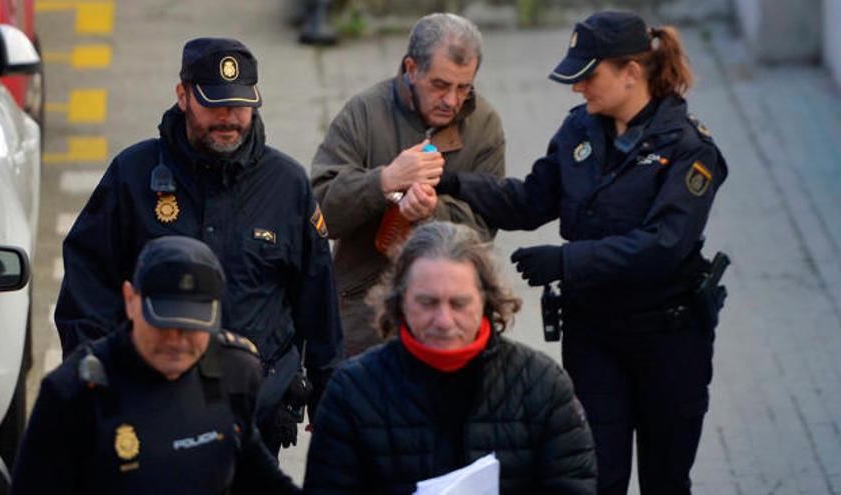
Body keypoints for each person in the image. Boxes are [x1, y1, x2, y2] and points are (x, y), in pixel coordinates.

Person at [436, 11, 728, 494]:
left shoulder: (689, 149)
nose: (578, 90)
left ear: (631, 73)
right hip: (595, 333)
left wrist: (567, 261)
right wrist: (454, 182)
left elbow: (664, 245)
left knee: (665, 481)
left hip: (669, 339)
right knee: (596, 478)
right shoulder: (581, 130)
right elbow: (531, 200)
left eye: (589, 76)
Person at [54, 37, 344, 451]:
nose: (228, 118)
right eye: (214, 104)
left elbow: (318, 302)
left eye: (240, 106)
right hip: (148, 411)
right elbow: (88, 289)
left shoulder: (287, 185)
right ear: (183, 95)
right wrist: (92, 383)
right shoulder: (132, 177)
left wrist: (329, 401)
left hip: (252, 418)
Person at [303, 222, 597, 494]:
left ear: (486, 300)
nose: (443, 320)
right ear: (401, 301)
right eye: (427, 302)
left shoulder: (542, 385)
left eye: (459, 303)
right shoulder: (353, 391)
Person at [12, 236, 300, 494]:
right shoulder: (73, 392)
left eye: (191, 327)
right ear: (130, 300)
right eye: (163, 324)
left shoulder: (235, 370)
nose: (176, 340)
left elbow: (255, 471)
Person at [310, 13, 506, 356]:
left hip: (449, 319)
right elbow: (318, 212)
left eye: (464, 87)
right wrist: (383, 182)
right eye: (440, 85)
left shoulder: (484, 126)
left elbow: (486, 229)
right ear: (411, 68)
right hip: (364, 313)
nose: (452, 100)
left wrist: (433, 212)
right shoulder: (364, 113)